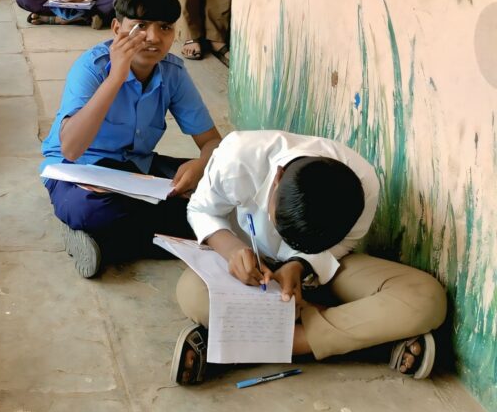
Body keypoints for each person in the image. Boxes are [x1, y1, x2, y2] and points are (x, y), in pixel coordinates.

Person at [171, 130, 449, 385]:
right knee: (193, 294)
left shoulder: (362, 183)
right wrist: (232, 251)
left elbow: (342, 247)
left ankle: (244, 342)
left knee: (425, 298)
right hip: (253, 268)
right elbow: (200, 210)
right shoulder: (238, 156)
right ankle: (368, 342)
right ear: (277, 177)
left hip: (319, 268)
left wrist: (299, 264)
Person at [40, 0, 222, 278]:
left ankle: (109, 241)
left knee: (225, 185)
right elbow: (71, 149)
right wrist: (116, 77)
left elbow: (213, 141)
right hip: (80, 172)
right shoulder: (92, 68)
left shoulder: (172, 72)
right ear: (116, 29)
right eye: (140, 25)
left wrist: (202, 164)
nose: (152, 37)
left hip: (138, 170)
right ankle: (180, 231)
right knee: (91, 210)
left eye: (165, 27)